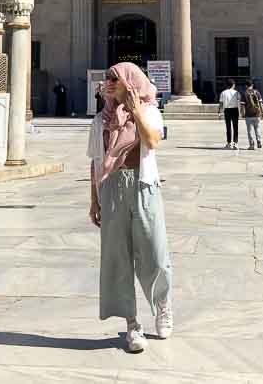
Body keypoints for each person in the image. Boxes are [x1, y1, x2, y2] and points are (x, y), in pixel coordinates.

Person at [86, 62, 173, 353]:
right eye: (107, 78)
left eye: (115, 78)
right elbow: (95, 161)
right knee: (117, 258)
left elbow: (152, 140)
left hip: (144, 185)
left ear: (130, 82)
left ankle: (162, 304)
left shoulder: (149, 112)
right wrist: (94, 199)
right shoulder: (101, 119)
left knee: (155, 252)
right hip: (111, 188)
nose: (108, 82)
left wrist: (135, 112)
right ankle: (132, 325)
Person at [217, 80, 241, 150]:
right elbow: (239, 102)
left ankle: (228, 143)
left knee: (228, 127)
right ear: (233, 85)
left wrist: (219, 111)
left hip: (227, 110)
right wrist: (240, 112)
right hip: (235, 110)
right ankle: (235, 143)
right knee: (235, 127)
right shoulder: (236, 92)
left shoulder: (223, 93)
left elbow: (221, 103)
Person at [241, 80, 263, 149]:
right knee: (257, 128)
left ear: (246, 86)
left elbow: (242, 106)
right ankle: (259, 141)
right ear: (252, 85)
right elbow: (260, 104)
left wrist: (242, 113)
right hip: (257, 114)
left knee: (250, 130)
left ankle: (251, 145)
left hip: (248, 114)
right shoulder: (257, 92)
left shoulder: (244, 93)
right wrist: (262, 112)